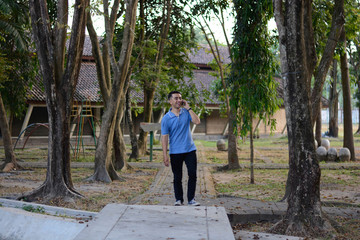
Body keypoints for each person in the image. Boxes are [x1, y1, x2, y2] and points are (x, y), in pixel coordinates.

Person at [161, 91, 201, 206]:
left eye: (180, 98)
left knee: (192, 174)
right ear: (170, 101)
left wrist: (188, 107)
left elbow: (197, 121)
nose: (178, 100)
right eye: (176, 98)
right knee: (177, 176)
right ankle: (178, 199)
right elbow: (164, 138)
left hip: (190, 150)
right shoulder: (166, 118)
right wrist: (165, 155)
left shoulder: (186, 113)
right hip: (175, 152)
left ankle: (191, 199)